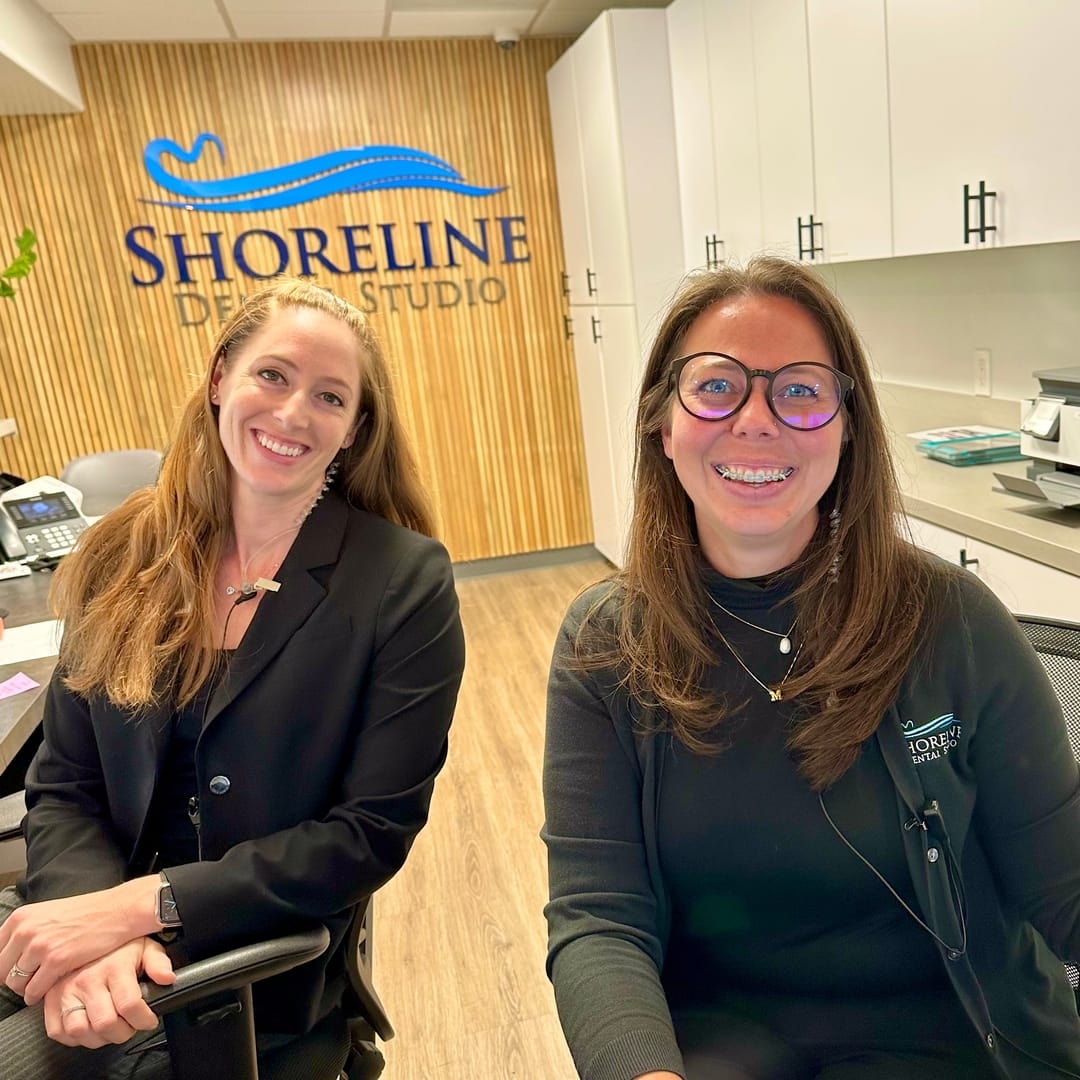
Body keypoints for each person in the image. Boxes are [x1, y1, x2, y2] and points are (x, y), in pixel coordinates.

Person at [542, 257, 1080, 1080]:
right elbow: (599, 920)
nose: (757, 421)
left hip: (958, 1043)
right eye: (716, 387)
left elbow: (1063, 886)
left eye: (800, 390)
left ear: (847, 426)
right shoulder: (608, 646)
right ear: (663, 424)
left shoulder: (951, 621)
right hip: (720, 1051)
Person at [0, 278, 466, 1077]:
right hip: (86, 923)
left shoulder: (401, 580)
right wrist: (86, 928)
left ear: (355, 429)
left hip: (250, 964)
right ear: (221, 377)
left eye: (329, 396)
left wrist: (136, 912)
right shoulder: (124, 551)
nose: (291, 415)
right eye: (272, 375)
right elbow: (68, 784)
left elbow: (367, 836)